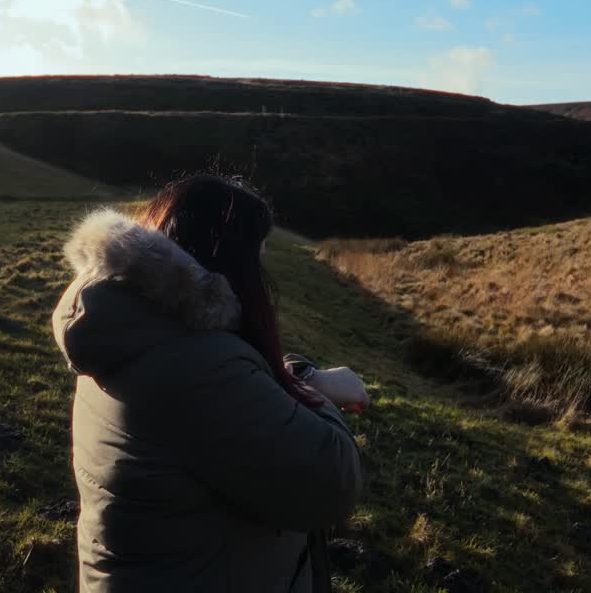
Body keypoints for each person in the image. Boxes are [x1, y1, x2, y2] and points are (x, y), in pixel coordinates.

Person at [52, 174, 368, 592]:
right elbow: (332, 483)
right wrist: (314, 391)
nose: (262, 274)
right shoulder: (194, 367)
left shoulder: (128, 328)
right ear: (230, 263)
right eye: (258, 256)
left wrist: (290, 378)